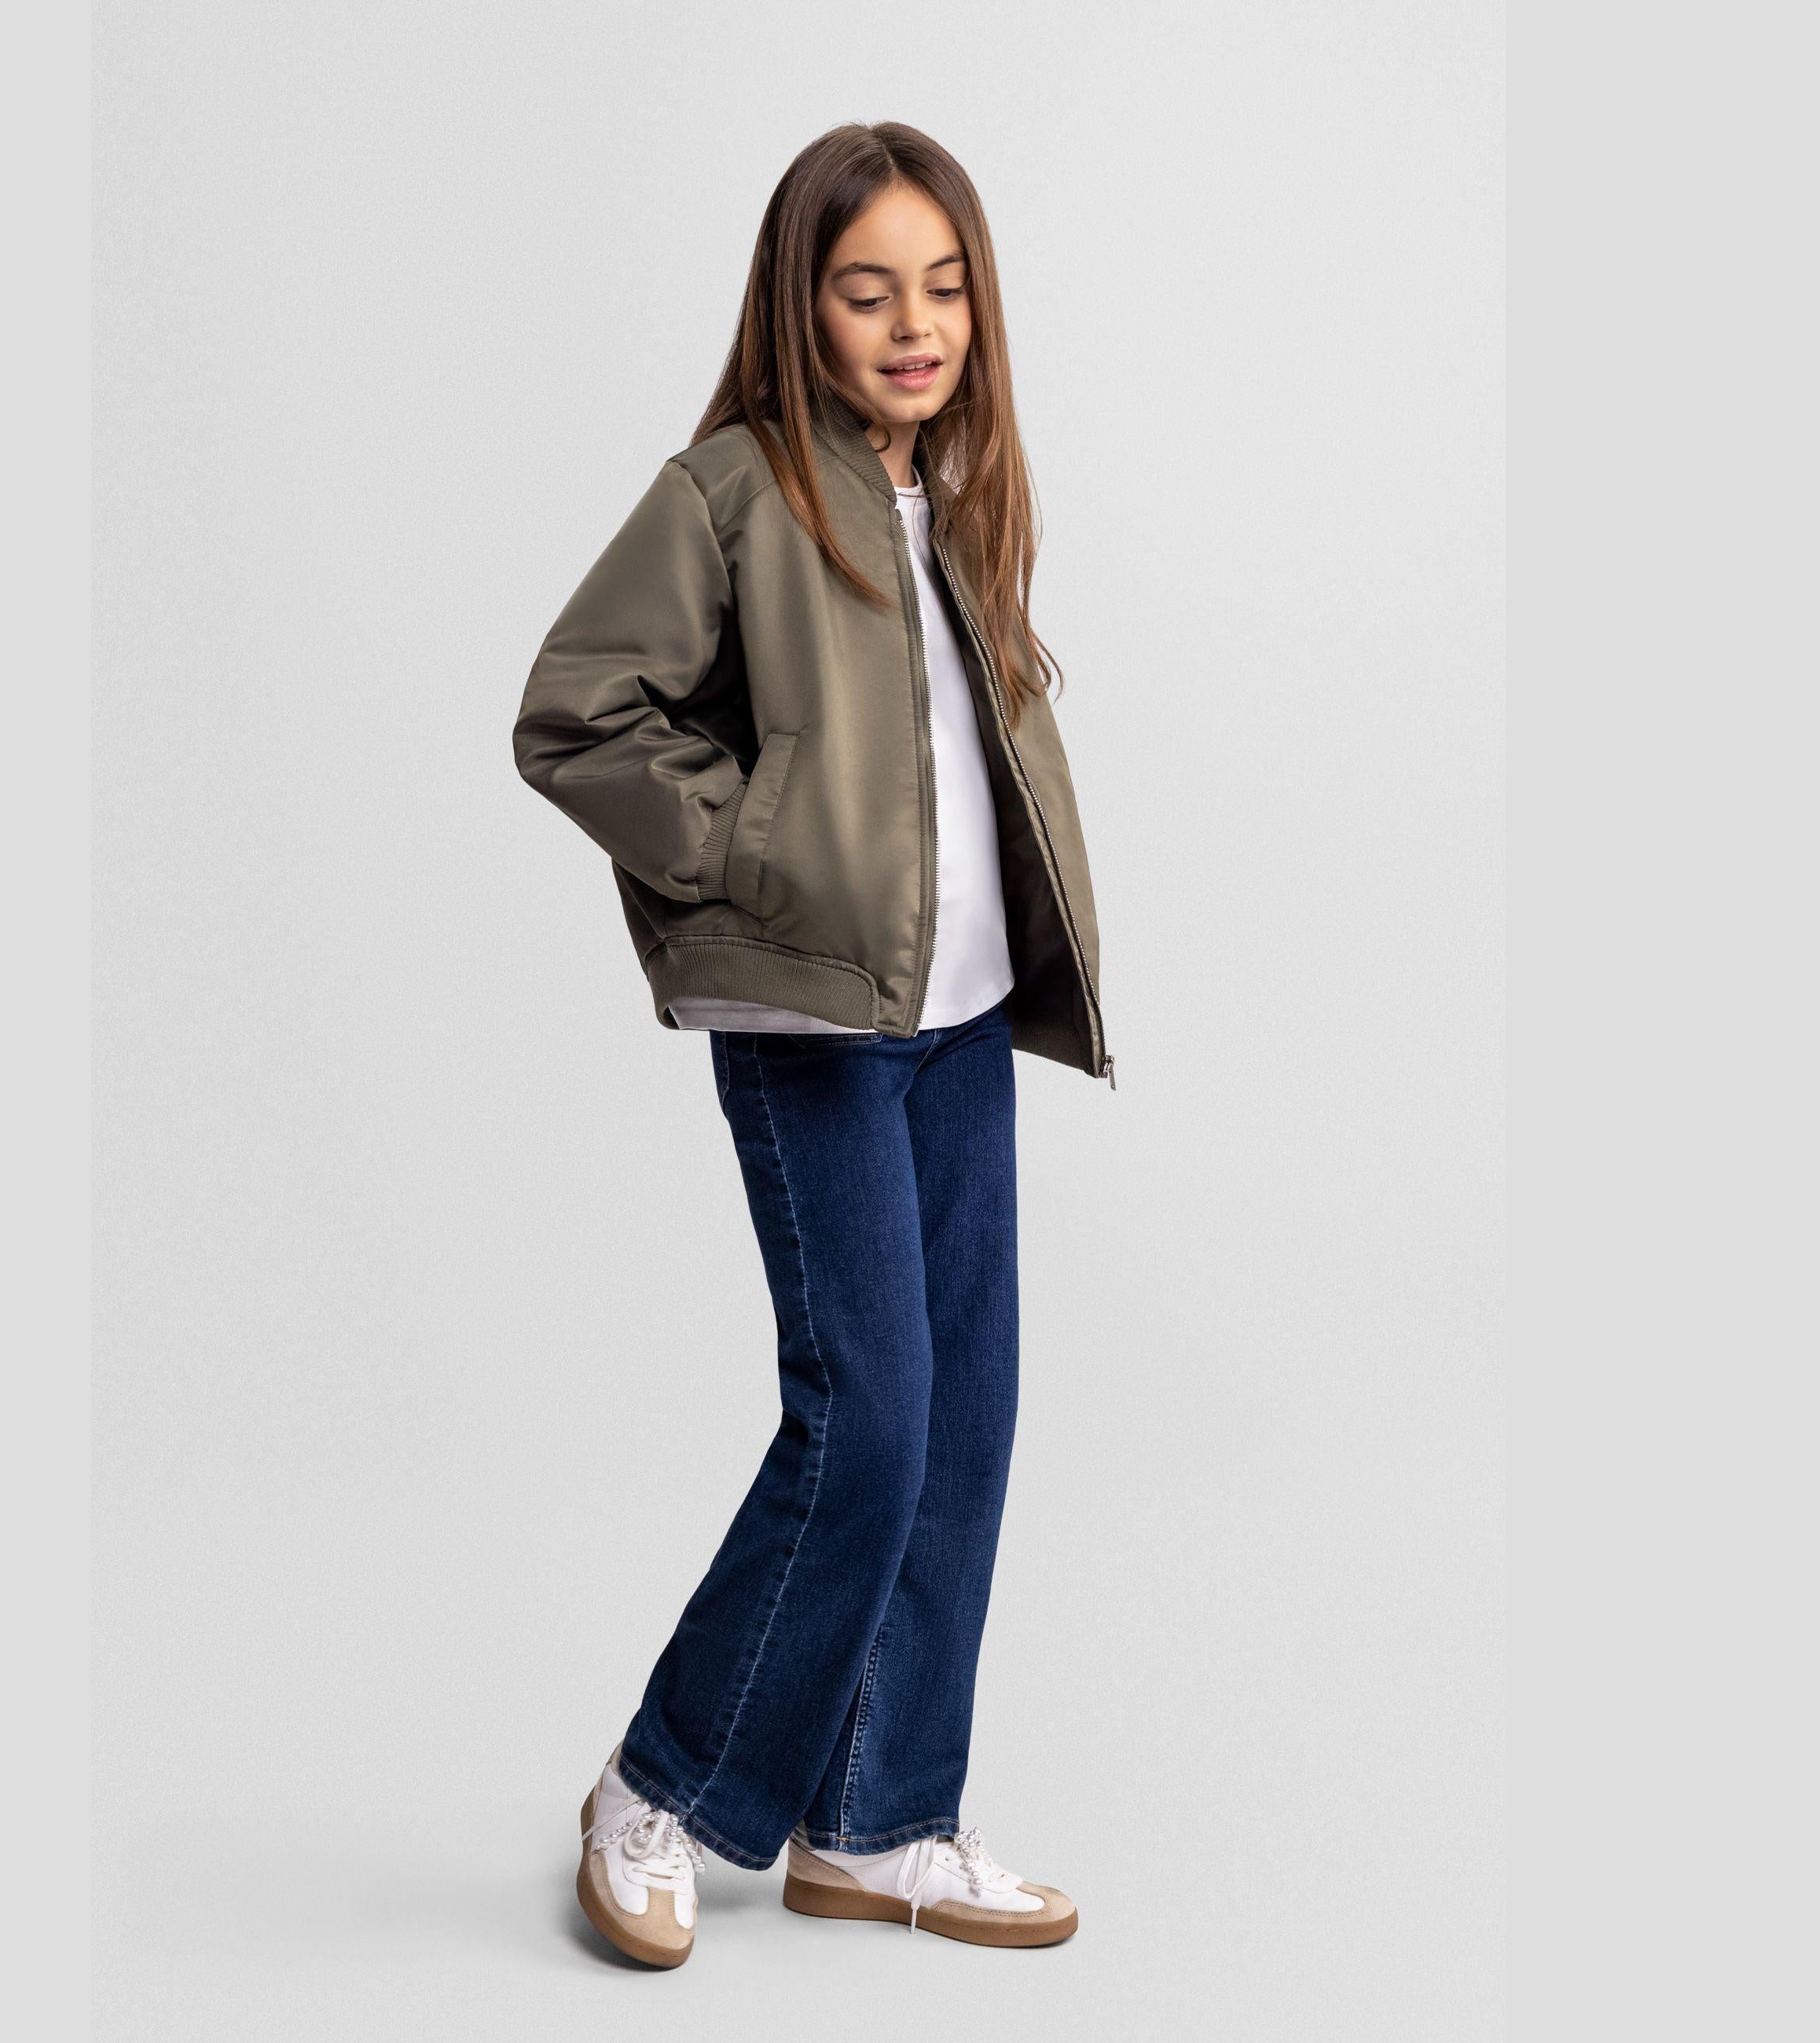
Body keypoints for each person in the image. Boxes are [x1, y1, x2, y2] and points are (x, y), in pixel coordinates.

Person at [512, 119, 1113, 1968]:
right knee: (867, 1421)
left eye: (942, 287)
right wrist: (757, 853)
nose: (911, 322)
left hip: (955, 1022)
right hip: (811, 1019)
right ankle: (662, 1780)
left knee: (964, 1425)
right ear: (803, 304)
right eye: (868, 289)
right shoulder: (732, 495)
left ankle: (881, 1817)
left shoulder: (967, 490)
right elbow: (572, 716)